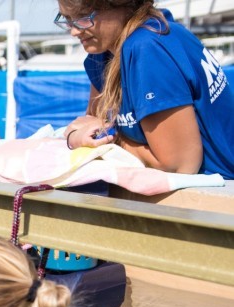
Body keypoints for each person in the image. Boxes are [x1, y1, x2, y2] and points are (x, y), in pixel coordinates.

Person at [57, 0, 234, 179]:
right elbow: (91, 123)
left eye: (84, 17)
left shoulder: (148, 46)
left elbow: (179, 165)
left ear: (123, 4)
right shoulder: (106, 52)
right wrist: (76, 136)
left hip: (219, 191)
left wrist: (109, 143)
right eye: (68, 19)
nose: (74, 31)